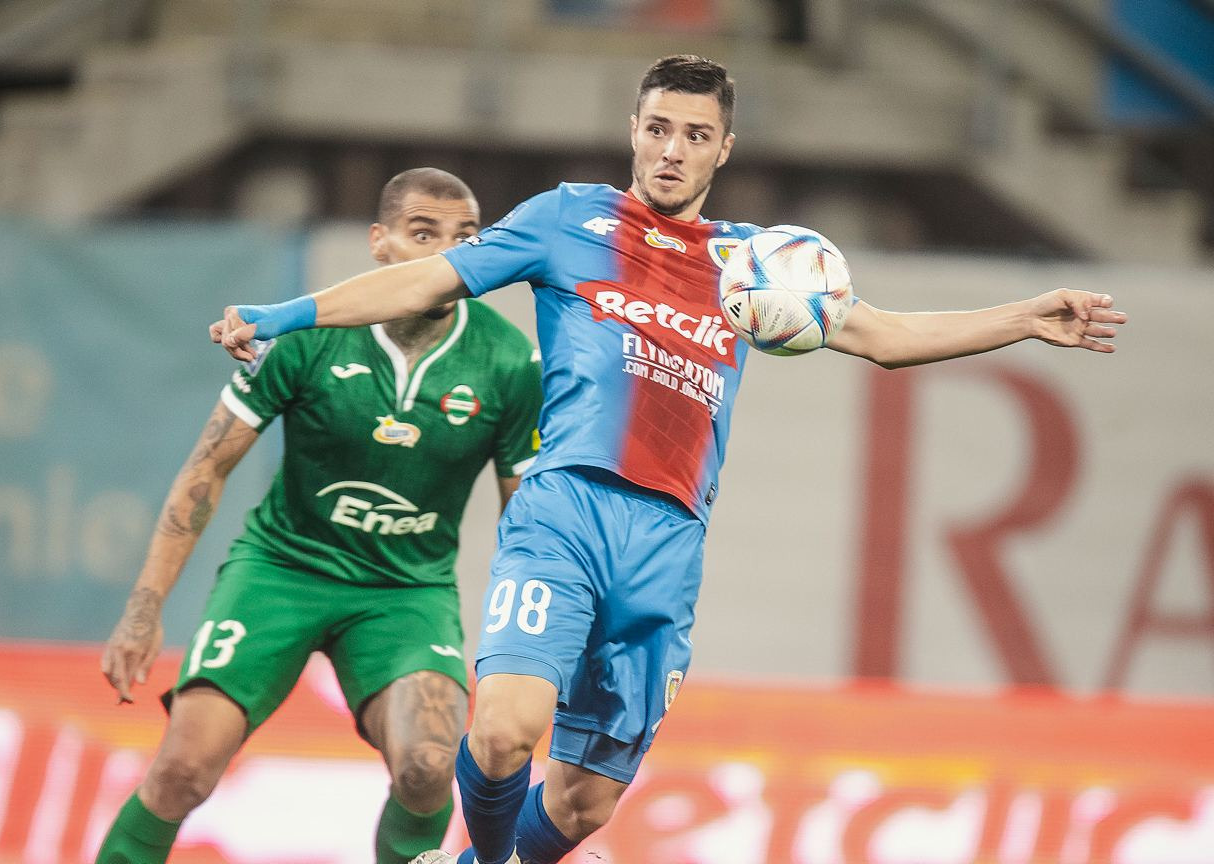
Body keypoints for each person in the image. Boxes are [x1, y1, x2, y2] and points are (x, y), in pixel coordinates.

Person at [210, 56, 1128, 864]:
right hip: (565, 509)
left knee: (584, 803)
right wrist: (283, 316)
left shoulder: (755, 268)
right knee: (501, 732)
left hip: (667, 541)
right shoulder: (567, 220)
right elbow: (424, 280)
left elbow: (884, 337)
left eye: (694, 135)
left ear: (724, 148)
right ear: (633, 131)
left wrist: (1024, 317)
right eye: (657, 128)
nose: (671, 150)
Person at [96, 167, 544, 864]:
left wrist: (533, 650)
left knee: (430, 768)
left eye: (465, 237)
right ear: (379, 242)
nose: (448, 255)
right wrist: (144, 608)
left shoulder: (511, 361)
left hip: (405, 592)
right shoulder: (308, 336)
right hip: (282, 569)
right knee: (183, 768)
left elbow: (528, 519)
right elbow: (207, 469)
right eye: (423, 233)